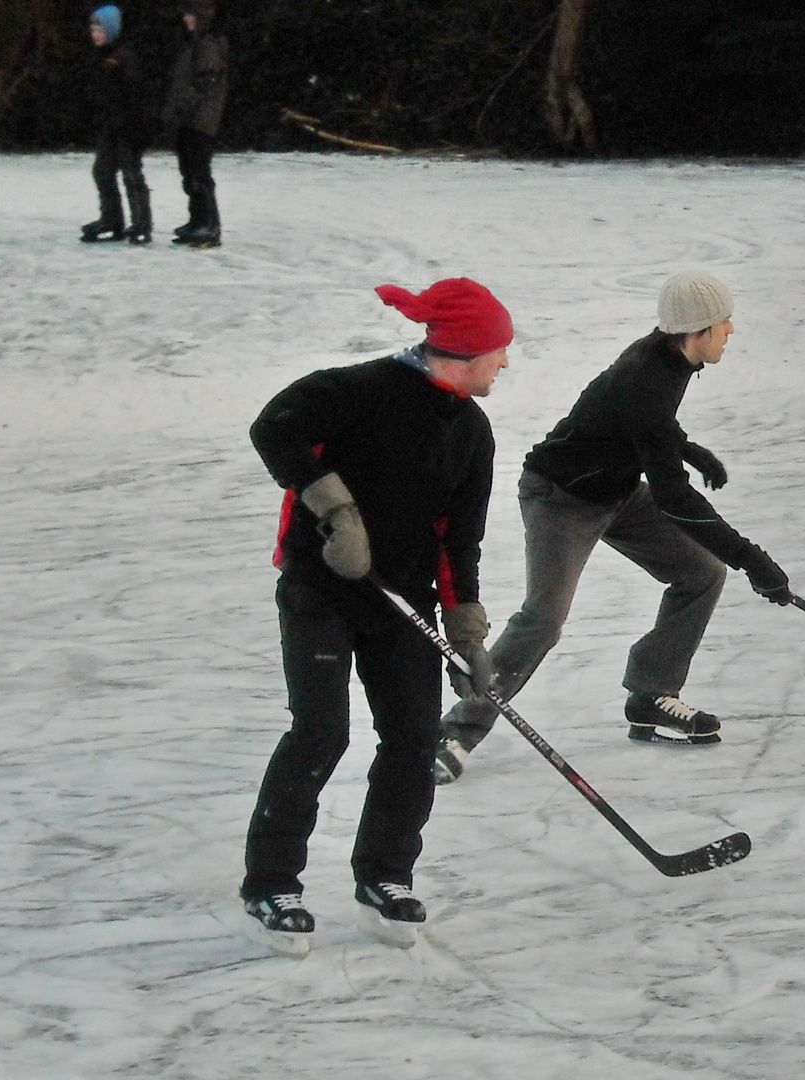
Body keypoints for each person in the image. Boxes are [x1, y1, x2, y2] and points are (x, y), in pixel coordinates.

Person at [433, 270, 790, 785]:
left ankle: (650, 694)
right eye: (722, 322)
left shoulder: (668, 358)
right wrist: (752, 558)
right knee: (545, 618)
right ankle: (456, 731)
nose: (730, 329)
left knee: (701, 574)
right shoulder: (646, 375)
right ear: (697, 329)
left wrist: (685, 448)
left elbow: (637, 420)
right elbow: (674, 497)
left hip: (615, 491)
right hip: (561, 498)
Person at [240, 278, 511, 952]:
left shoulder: (473, 432)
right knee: (321, 730)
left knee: (415, 737)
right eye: (499, 351)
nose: (506, 363)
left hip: (401, 600)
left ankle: (384, 875)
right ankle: (271, 883)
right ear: (467, 351)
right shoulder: (358, 391)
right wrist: (335, 508)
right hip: (321, 589)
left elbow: (459, 541)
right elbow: (273, 427)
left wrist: (468, 634)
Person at [80, 6, 152, 245]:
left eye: (100, 29)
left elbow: (135, 95)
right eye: (93, 29)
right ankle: (112, 220)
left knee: (132, 175)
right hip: (110, 128)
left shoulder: (123, 57)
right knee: (102, 171)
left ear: (111, 30)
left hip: (128, 129)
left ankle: (142, 224)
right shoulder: (101, 57)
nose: (95, 33)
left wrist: (134, 127)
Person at [161, 0, 228, 248]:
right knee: (190, 172)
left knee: (199, 173)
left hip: (201, 120)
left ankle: (209, 225)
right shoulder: (195, 45)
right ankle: (197, 220)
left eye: (190, 15)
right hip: (191, 119)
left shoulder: (207, 45)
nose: (185, 19)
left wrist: (182, 107)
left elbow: (203, 84)